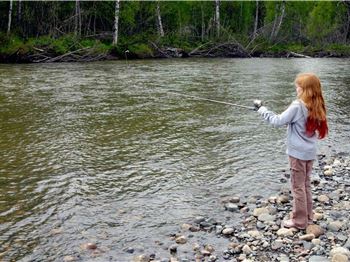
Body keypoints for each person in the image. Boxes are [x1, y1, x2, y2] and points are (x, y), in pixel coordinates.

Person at [254, 73, 328, 230]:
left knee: (298, 187)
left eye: (298, 86)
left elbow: (277, 121)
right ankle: (308, 216)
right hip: (310, 152)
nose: (296, 88)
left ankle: (299, 221)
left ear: (305, 89)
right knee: (306, 184)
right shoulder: (317, 105)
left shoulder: (298, 105)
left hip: (298, 154)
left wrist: (262, 109)